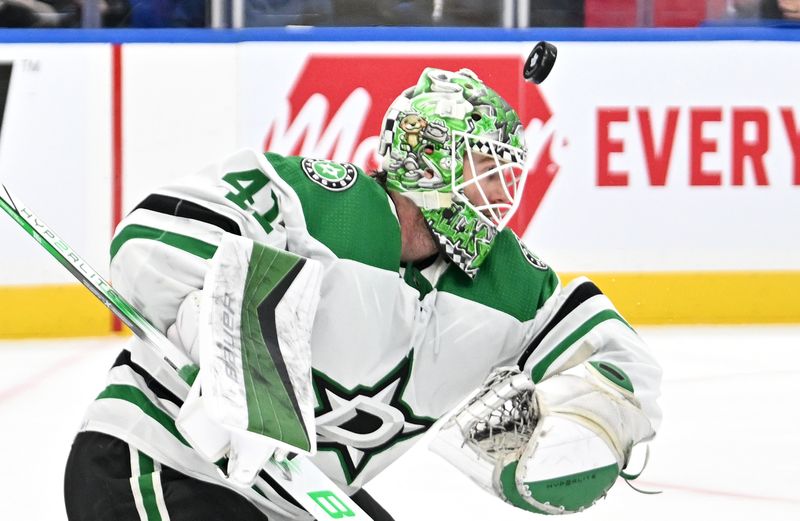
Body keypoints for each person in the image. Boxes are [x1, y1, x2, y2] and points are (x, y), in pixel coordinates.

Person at [64, 66, 662, 520]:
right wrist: (232, 350)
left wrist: (592, 423)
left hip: (292, 500)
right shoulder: (327, 205)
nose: (500, 190)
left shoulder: (504, 280)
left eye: (505, 172)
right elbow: (149, 239)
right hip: (156, 463)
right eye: (483, 167)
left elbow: (613, 356)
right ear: (428, 160)